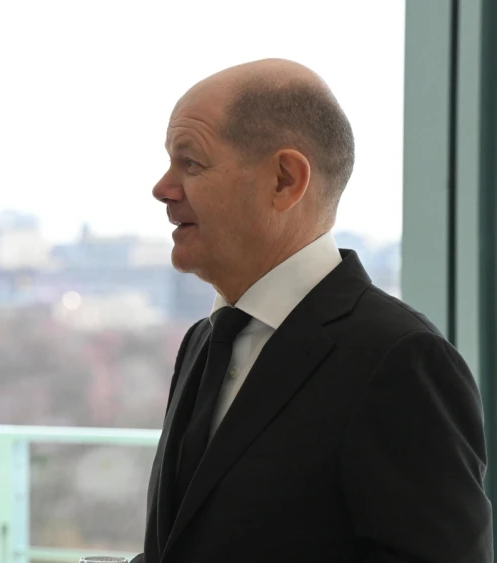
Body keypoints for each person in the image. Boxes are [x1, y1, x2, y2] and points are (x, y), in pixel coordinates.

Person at [133, 59, 492, 563]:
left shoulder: (402, 360)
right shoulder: (204, 340)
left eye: (190, 163)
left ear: (285, 179)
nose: (162, 188)